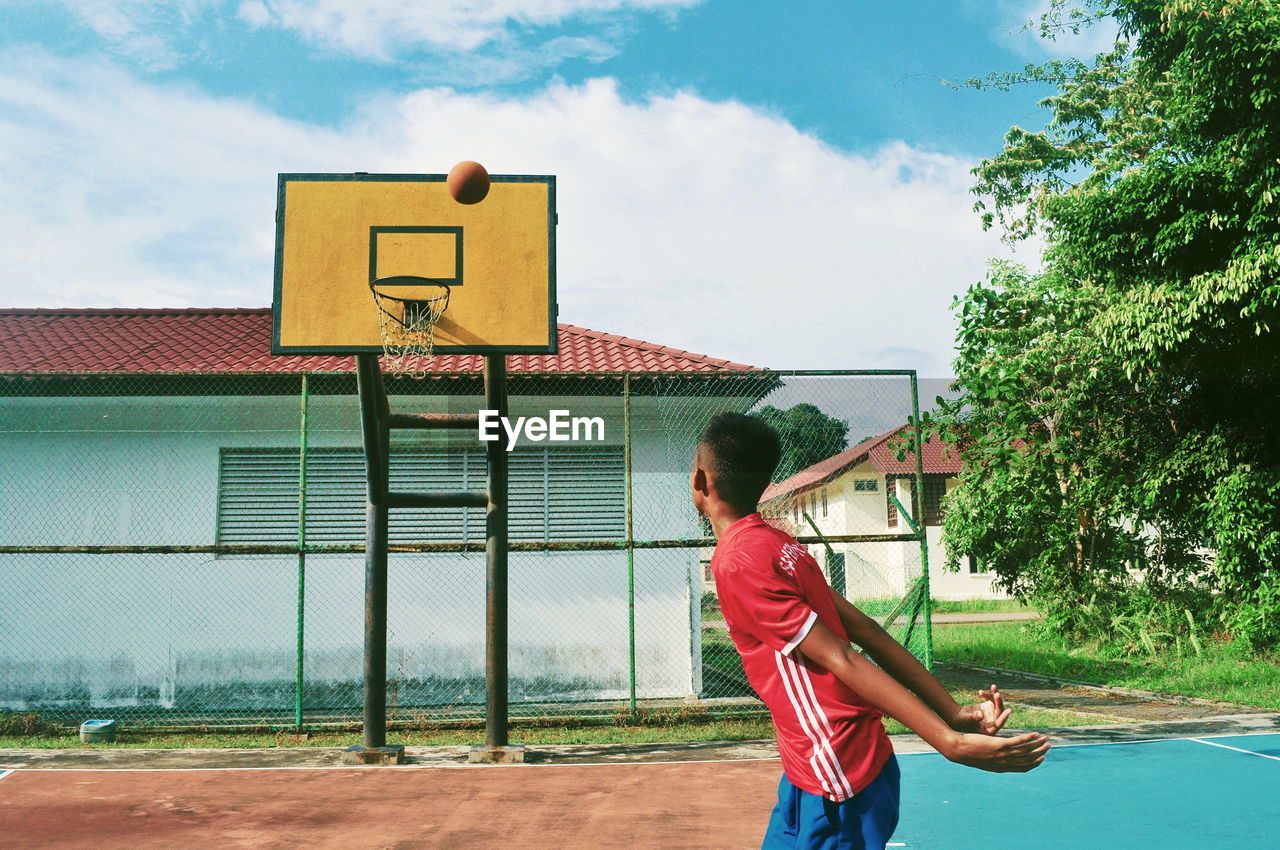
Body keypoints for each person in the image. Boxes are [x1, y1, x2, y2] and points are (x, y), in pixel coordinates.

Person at [691, 412, 1048, 850]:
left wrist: (950, 741)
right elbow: (869, 632)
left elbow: (843, 654)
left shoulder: (738, 562)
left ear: (700, 480)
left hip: (837, 773)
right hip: (815, 766)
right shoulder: (778, 545)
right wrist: (950, 712)